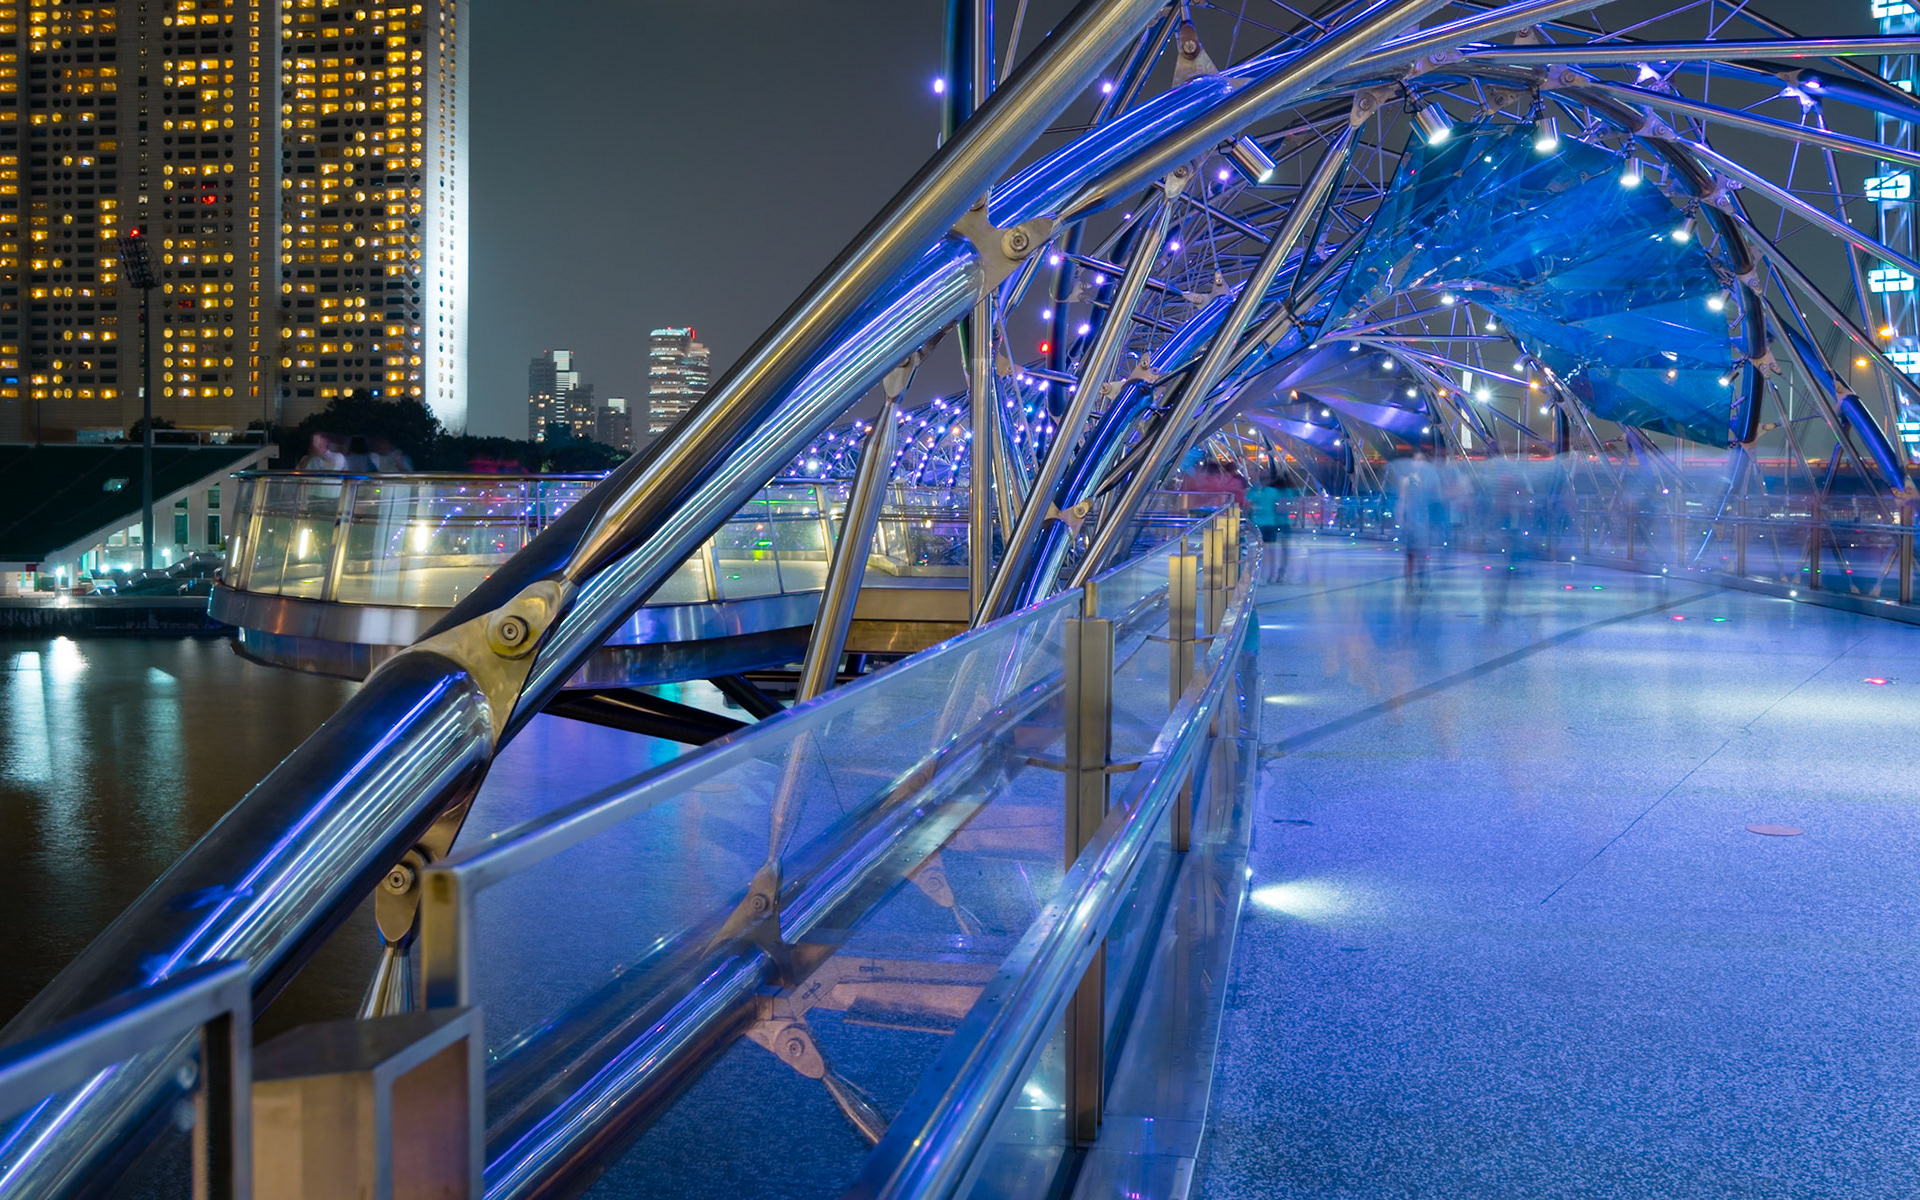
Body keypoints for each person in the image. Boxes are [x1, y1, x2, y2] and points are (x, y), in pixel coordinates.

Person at [1247, 472, 1290, 583]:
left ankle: (1262, 576)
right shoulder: (1273, 492)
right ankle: (1272, 575)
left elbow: (1248, 504)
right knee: (1271, 551)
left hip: (1259, 524)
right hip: (1271, 523)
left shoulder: (1256, 492)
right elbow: (1280, 506)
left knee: (1260, 551)